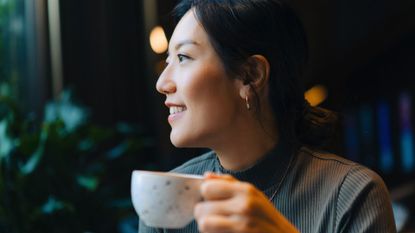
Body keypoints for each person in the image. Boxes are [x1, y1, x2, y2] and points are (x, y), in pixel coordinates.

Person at [140, 0, 397, 232]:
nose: (162, 82)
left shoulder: (351, 195)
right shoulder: (166, 199)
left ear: (251, 75)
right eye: (168, 60)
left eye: (183, 57)